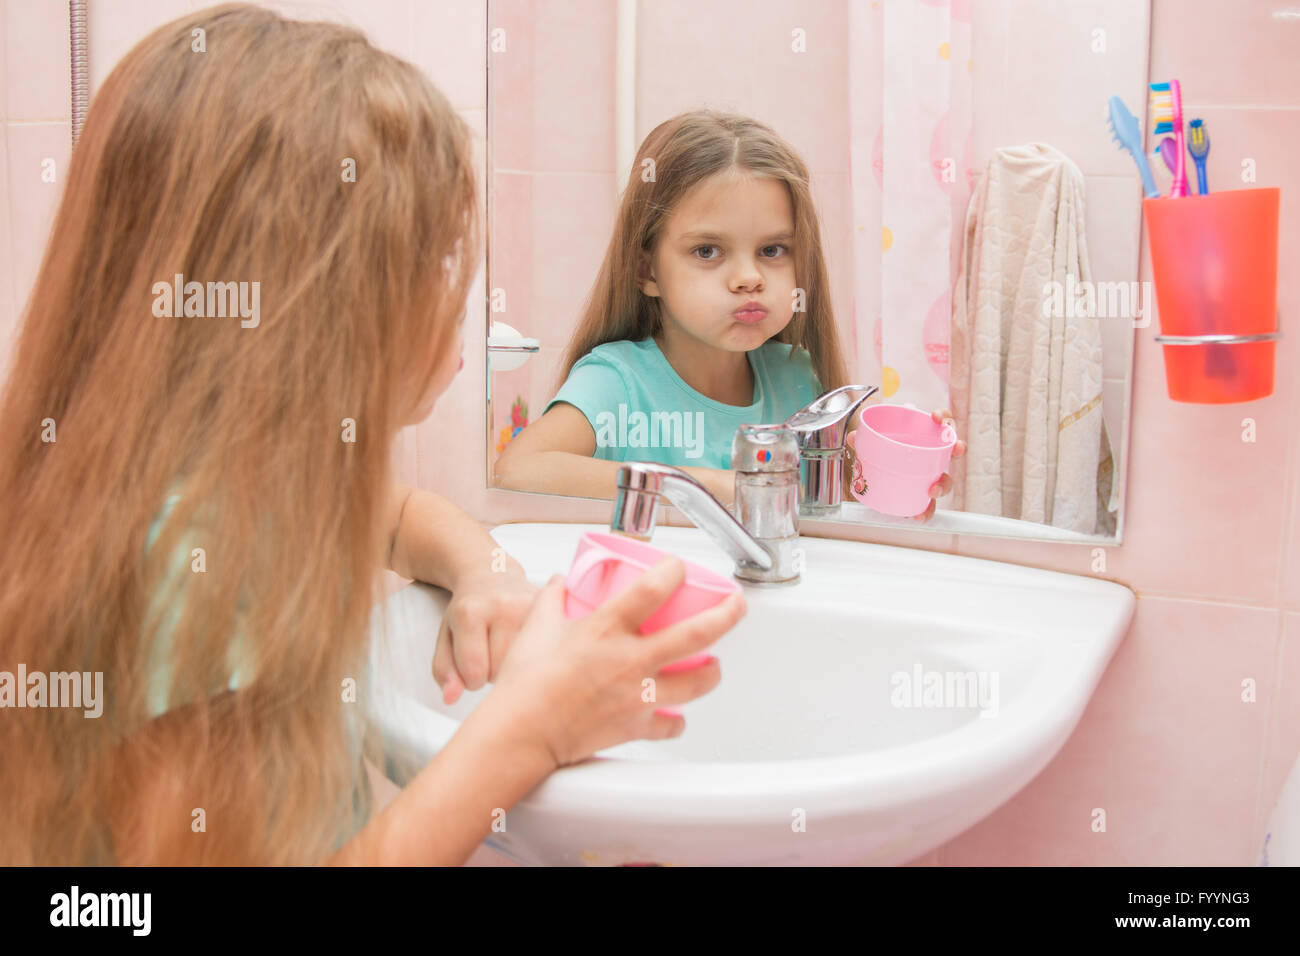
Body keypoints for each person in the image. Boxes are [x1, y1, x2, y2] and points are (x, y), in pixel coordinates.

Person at [0, 4, 741, 867]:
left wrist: (485, 571)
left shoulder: (226, 478)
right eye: (428, 262)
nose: (453, 295)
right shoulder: (186, 561)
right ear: (318, 302)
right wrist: (530, 731)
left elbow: (400, 516)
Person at [494, 109, 964, 516]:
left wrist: (894, 487)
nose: (748, 278)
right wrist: (712, 487)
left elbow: (827, 519)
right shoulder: (617, 381)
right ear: (647, 270)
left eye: (772, 249)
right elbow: (519, 469)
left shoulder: (796, 377)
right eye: (707, 251)